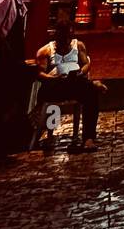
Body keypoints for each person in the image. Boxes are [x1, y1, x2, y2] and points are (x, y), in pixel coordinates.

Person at [36, 20, 104, 151]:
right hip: (55, 86)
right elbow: (40, 73)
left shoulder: (78, 46)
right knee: (87, 86)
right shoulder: (45, 51)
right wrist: (53, 77)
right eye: (64, 38)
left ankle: (88, 138)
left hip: (74, 84)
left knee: (90, 94)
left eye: (69, 37)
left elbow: (86, 64)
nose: (67, 41)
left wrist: (81, 71)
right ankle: (95, 84)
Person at [0, 0, 37, 155]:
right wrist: (4, 45)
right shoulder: (8, 0)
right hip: (4, 63)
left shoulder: (20, 6)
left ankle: (6, 140)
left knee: (10, 100)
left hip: (13, 62)